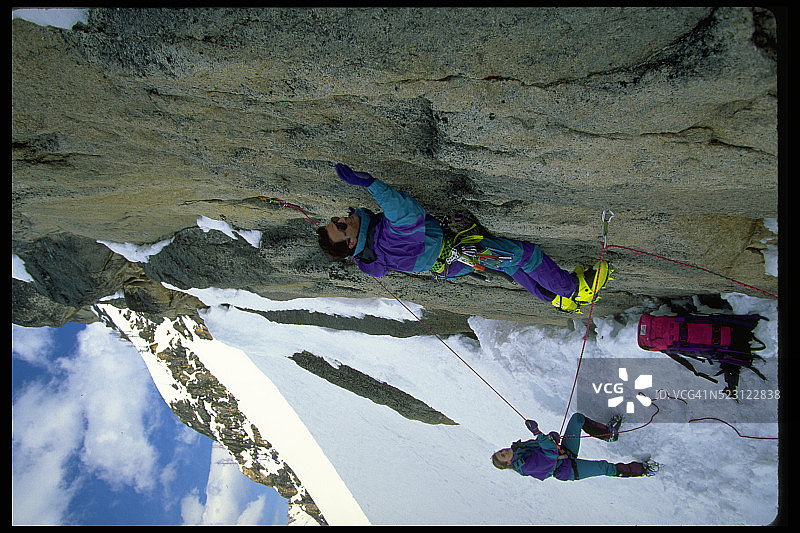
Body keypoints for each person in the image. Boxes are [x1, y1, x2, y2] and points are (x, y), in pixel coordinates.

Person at [317, 164, 610, 313]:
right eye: (339, 227)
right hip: (464, 252)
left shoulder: (369, 256)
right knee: (525, 255)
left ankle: (555, 298)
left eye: (335, 220)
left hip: (451, 263)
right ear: (350, 243)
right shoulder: (383, 242)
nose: (341, 219)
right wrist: (370, 184)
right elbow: (406, 214)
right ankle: (574, 289)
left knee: (510, 266)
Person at [491, 414, 659, 480]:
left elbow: (546, 445)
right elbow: (548, 453)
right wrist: (537, 433)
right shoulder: (526, 466)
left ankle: (608, 434)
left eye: (501, 451)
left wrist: (550, 437)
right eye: (503, 456)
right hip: (568, 469)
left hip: (564, 453)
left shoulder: (520, 450)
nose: (504, 451)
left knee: (577, 419)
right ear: (508, 464)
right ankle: (643, 470)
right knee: (604, 467)